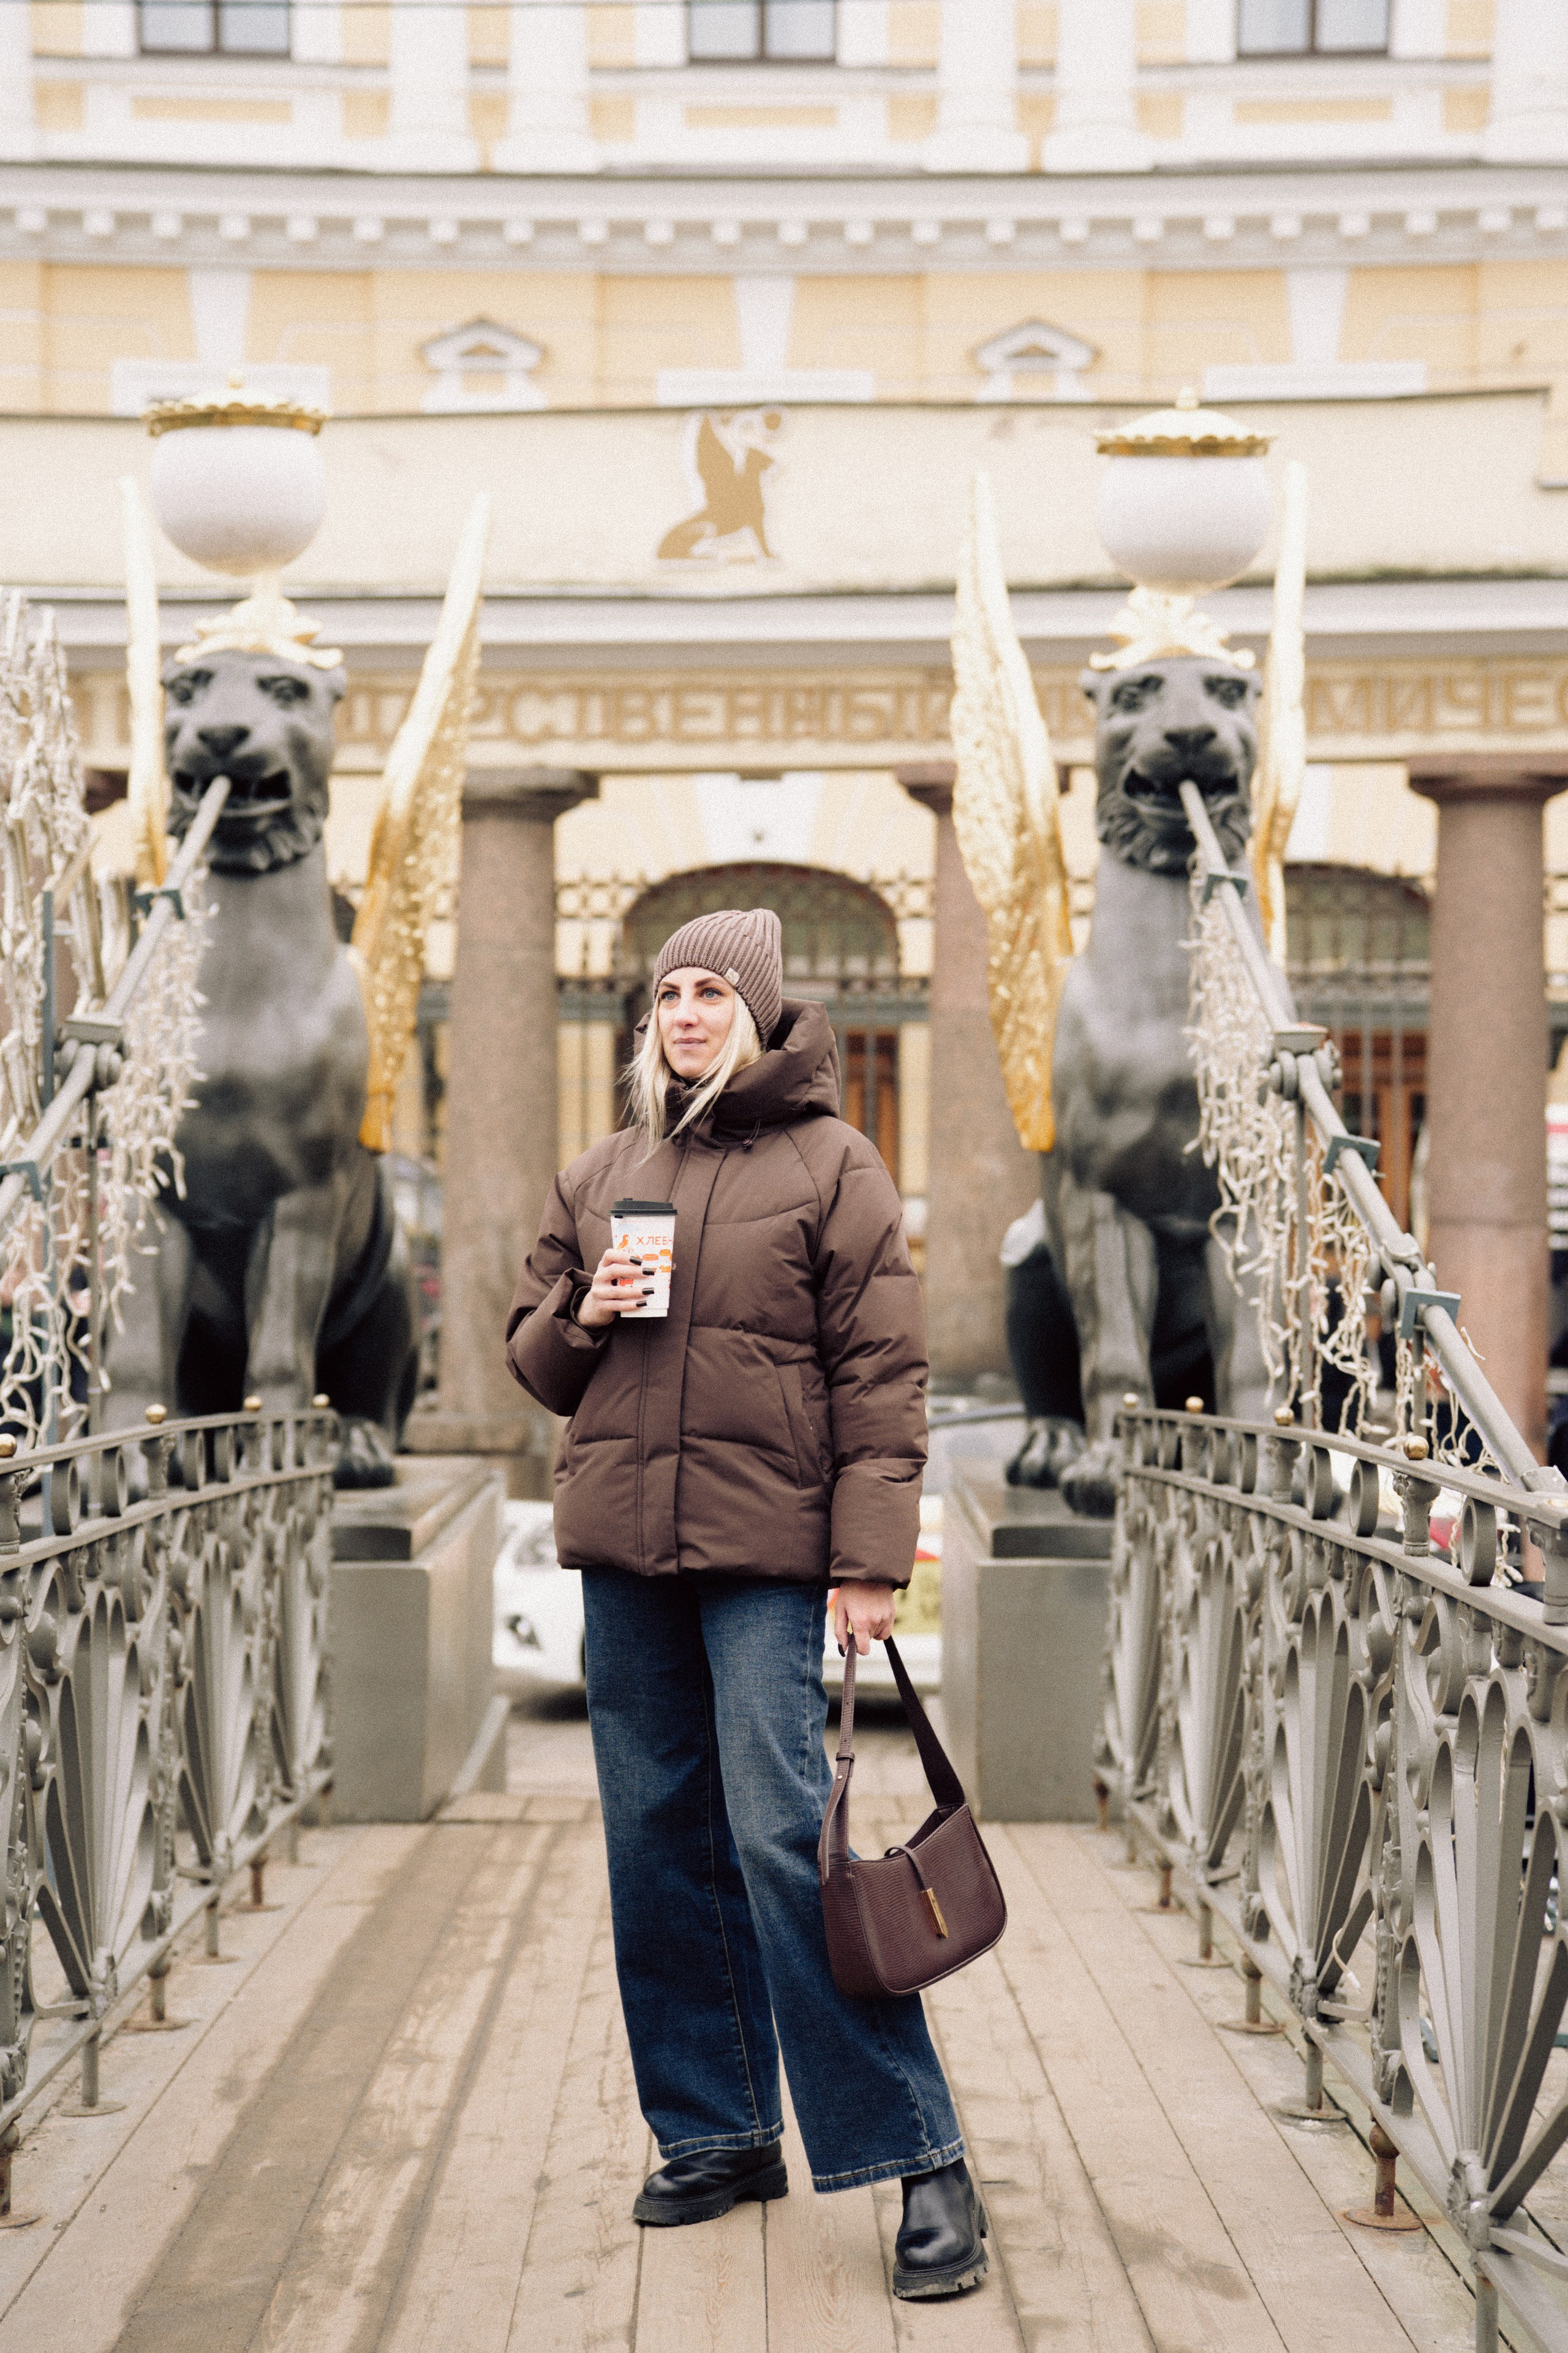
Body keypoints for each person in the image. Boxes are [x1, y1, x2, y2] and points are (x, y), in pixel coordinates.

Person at [504, 907, 987, 2302]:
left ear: (762, 1014)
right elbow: (537, 1363)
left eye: (713, 989)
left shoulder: (834, 1166)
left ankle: (917, 2149)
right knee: (654, 1839)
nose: (687, 1010)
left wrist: (868, 1560)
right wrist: (587, 1308)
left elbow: (880, 1382)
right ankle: (714, 2130)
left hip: (769, 1557)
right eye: (668, 991)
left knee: (786, 1840)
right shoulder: (603, 1170)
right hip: (624, 1557)